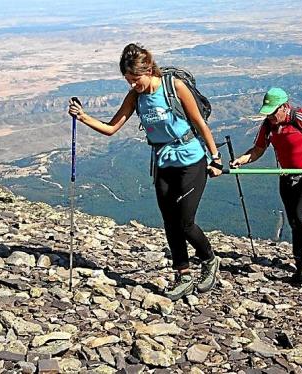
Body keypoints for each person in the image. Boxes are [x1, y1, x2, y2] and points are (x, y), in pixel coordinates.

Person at [68, 43, 223, 301]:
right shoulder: (135, 97)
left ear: (149, 70)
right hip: (163, 162)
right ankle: (182, 274)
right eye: (128, 80)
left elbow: (200, 123)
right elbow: (111, 128)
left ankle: (209, 259)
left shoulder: (174, 87)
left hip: (191, 159)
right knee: (170, 222)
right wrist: (82, 117)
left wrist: (215, 158)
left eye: (135, 79)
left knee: (185, 222)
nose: (132, 85)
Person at [230, 87, 302, 282]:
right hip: (287, 176)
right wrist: (241, 160)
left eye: (273, 112)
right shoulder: (268, 125)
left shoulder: (301, 118)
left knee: (301, 214)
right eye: (267, 113)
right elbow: (258, 149)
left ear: (284, 107)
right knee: (293, 220)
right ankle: (300, 261)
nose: (270, 116)